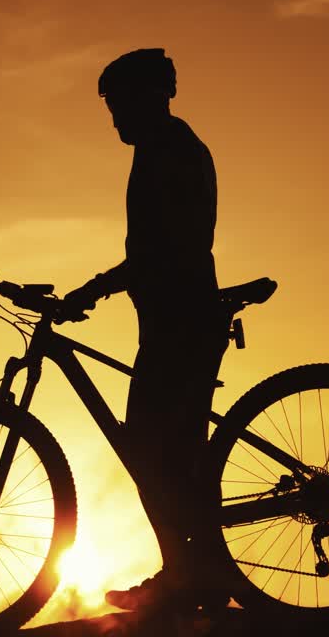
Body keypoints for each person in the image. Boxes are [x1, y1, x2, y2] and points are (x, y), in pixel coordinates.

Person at [62, 48, 230, 613]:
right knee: (169, 458)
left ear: (149, 97)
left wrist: (94, 289)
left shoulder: (168, 151)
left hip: (180, 323)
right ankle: (192, 573)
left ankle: (189, 575)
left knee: (151, 454)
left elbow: (164, 250)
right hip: (172, 320)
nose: (115, 118)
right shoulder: (171, 147)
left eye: (119, 105)